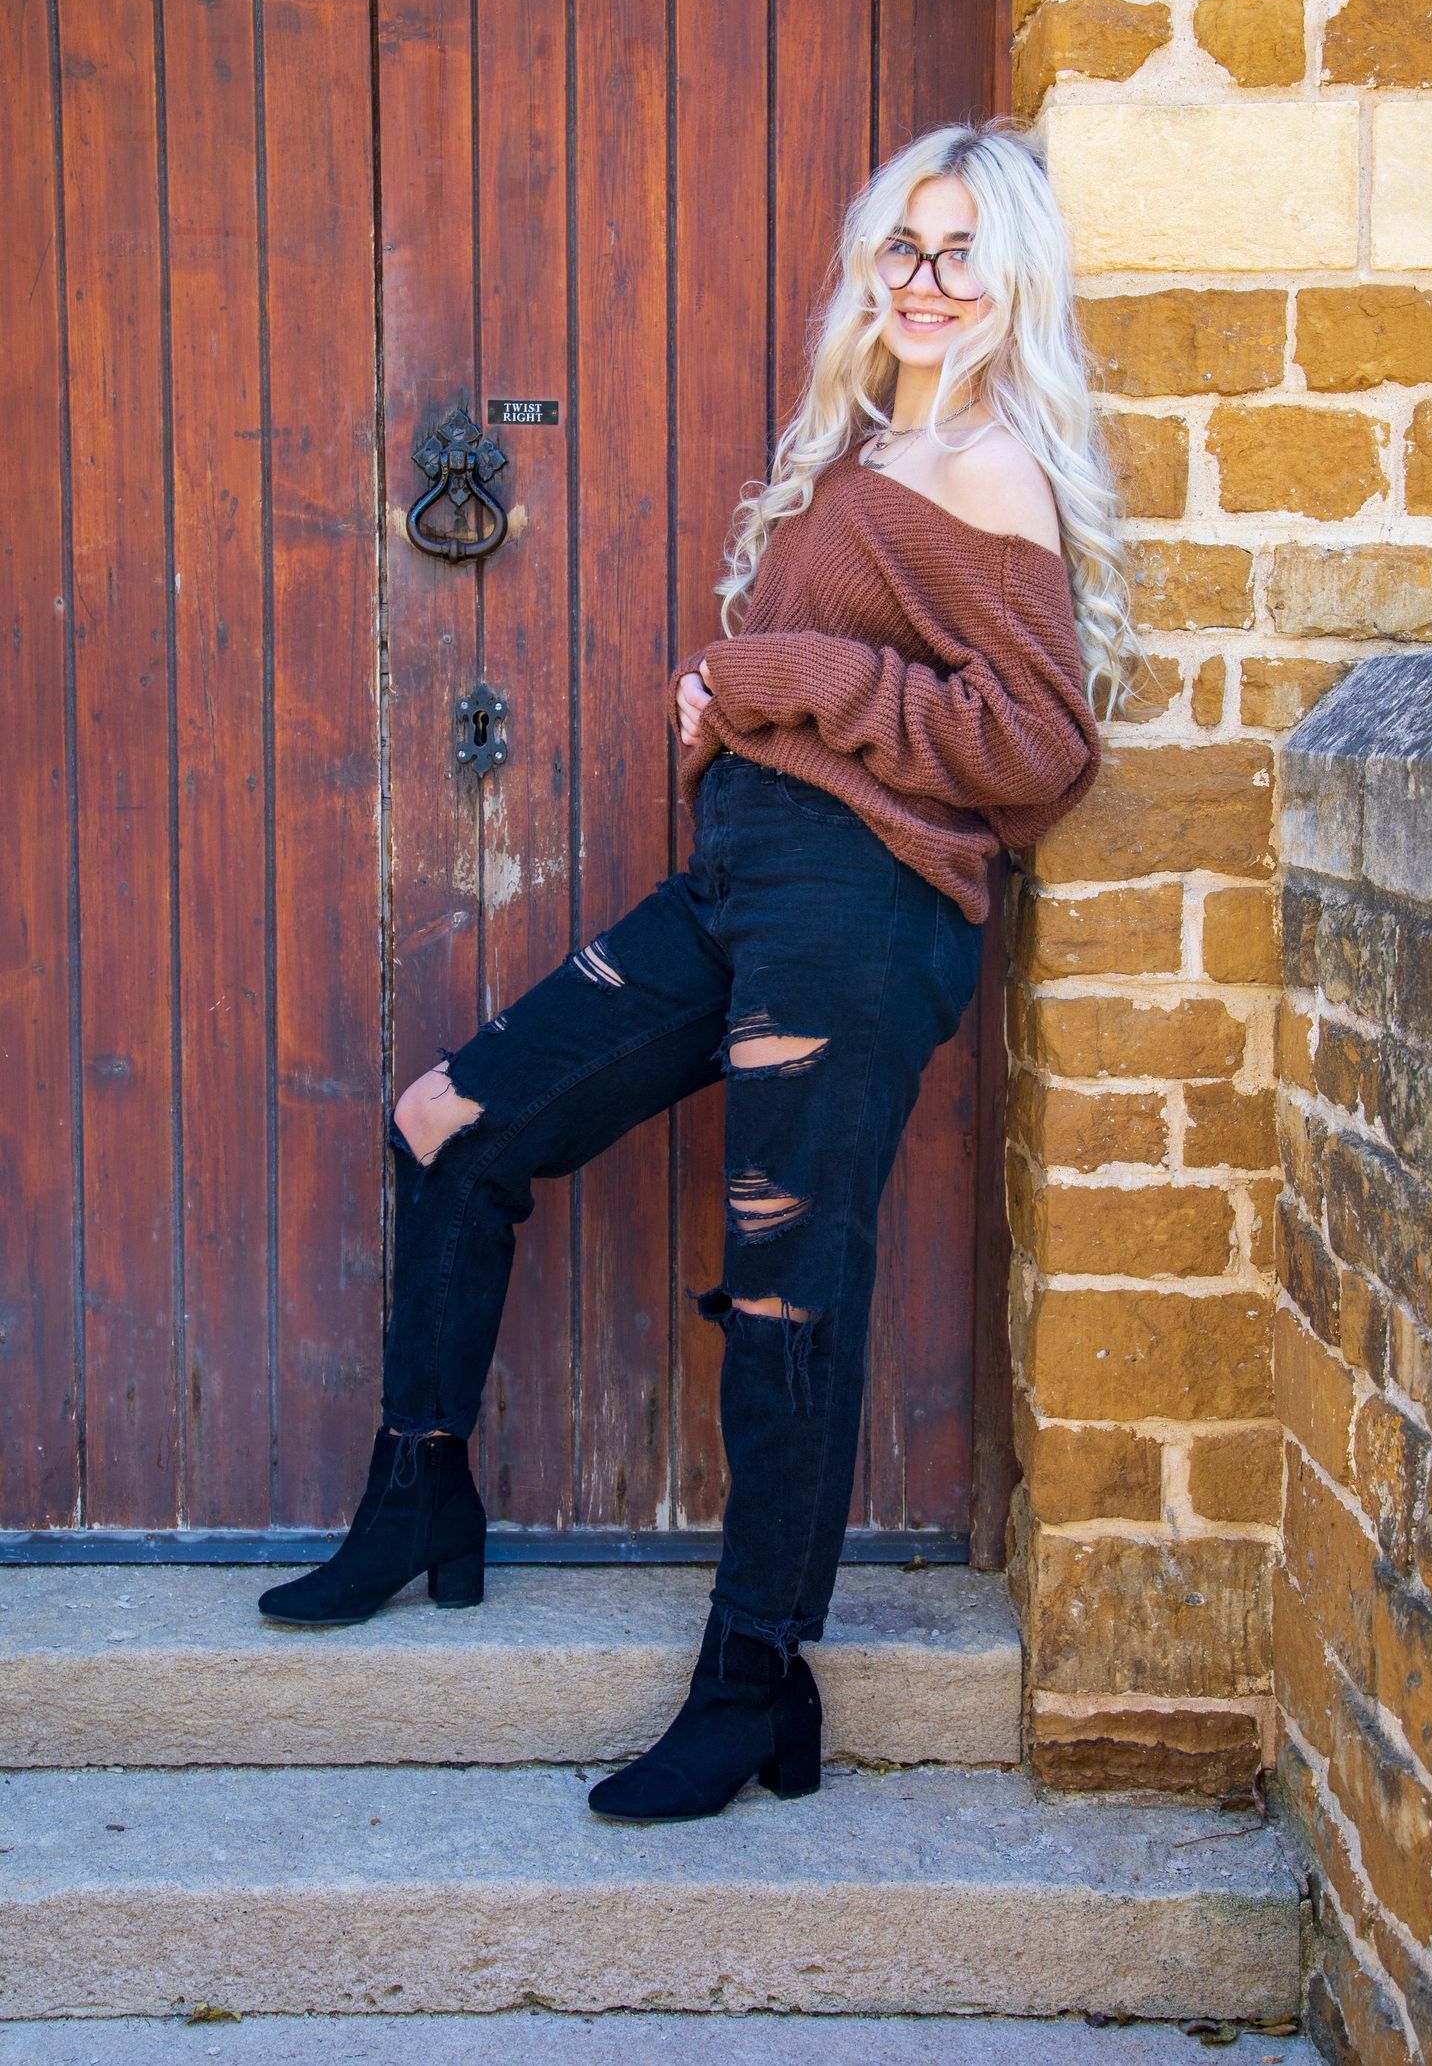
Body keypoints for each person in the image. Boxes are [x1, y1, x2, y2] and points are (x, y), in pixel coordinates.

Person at [257, 116, 1136, 1827]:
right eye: (901, 247)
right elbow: (824, 688)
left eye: (959, 251)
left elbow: (1038, 746)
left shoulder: (994, 469)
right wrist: (733, 703)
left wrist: (780, 672)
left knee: (786, 1289)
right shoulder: (877, 447)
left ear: (1011, 273)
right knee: (449, 1119)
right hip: (741, 881)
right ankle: (421, 1494)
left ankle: (754, 1684)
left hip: (862, 909)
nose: (924, 280)